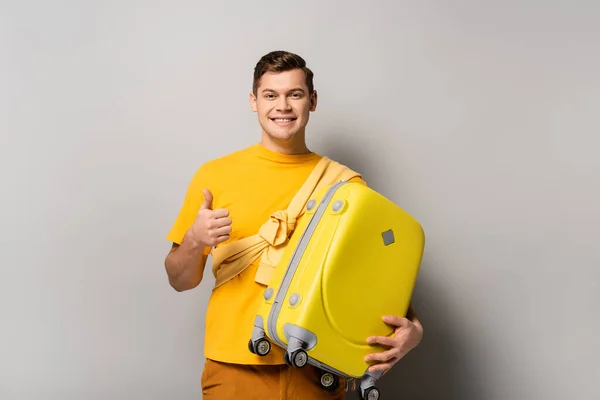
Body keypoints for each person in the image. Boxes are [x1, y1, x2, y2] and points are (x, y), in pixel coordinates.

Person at [164, 50, 423, 399]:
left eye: (294, 94)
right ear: (254, 101)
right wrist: (195, 240)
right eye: (270, 95)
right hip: (234, 367)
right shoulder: (215, 175)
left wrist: (415, 329)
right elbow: (179, 279)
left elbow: (369, 279)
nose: (282, 106)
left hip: (316, 368)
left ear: (312, 101)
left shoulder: (346, 187)